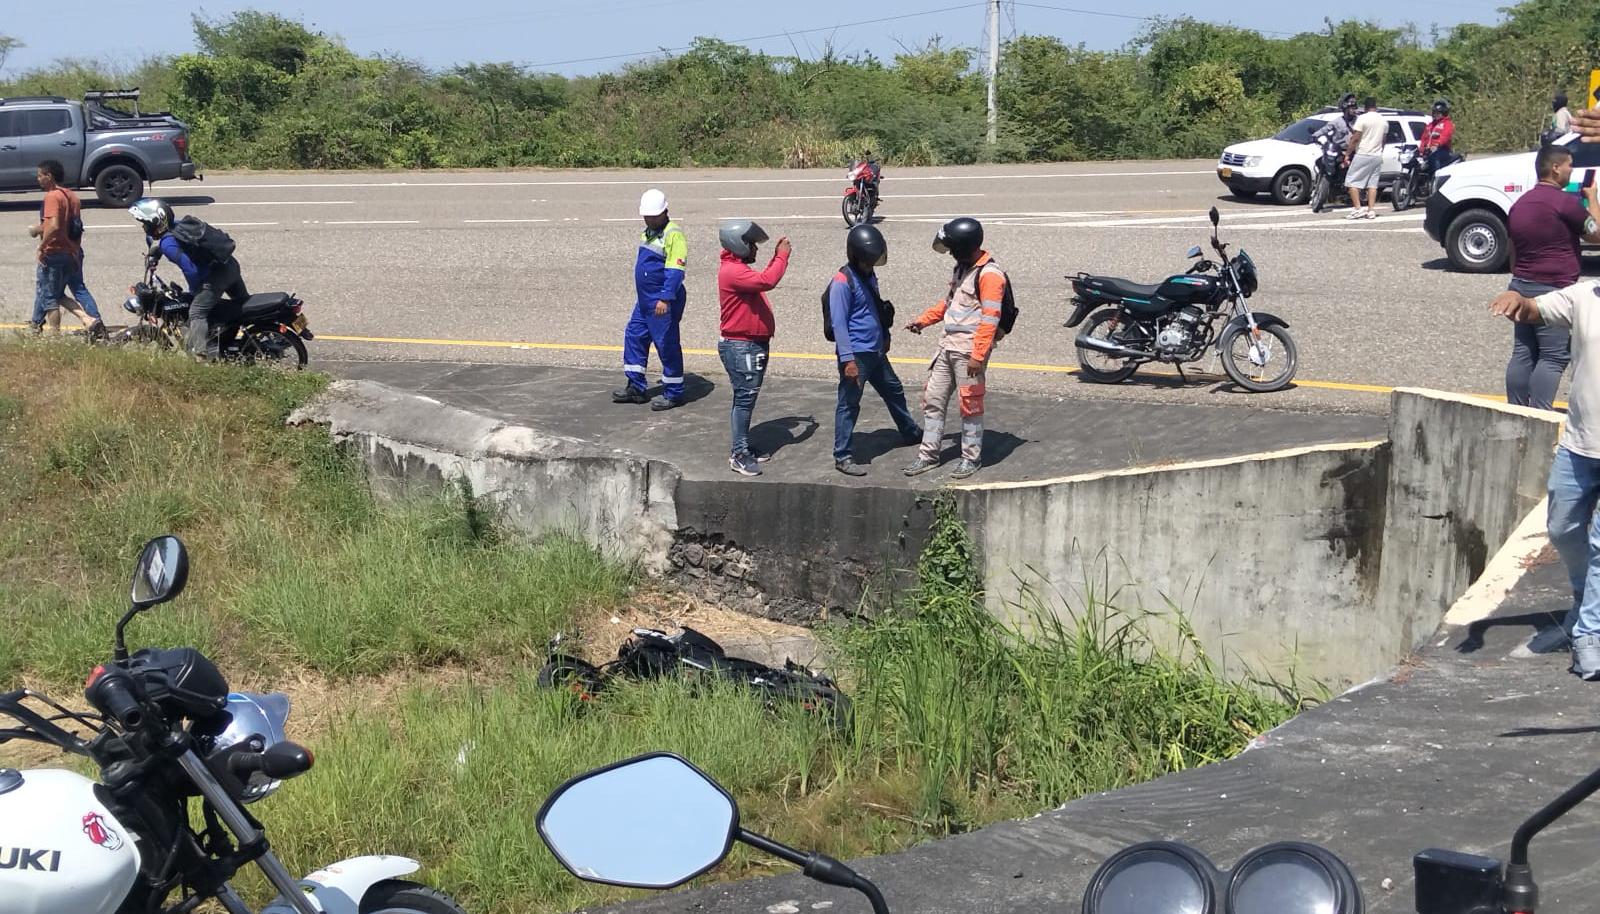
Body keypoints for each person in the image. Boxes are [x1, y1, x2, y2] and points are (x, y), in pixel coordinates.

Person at [1490, 278, 1600, 679]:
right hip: (1579, 445)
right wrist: (1518, 301)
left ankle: (1589, 635)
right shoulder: (1584, 295)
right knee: (1562, 528)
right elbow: (1537, 309)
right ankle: (1584, 599)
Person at [902, 217, 1009, 481]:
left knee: (970, 406)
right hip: (947, 347)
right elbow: (949, 304)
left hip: (968, 352)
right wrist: (923, 320)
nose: (949, 252)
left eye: (952, 248)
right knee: (933, 401)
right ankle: (928, 455)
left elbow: (990, 319)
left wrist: (978, 355)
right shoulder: (962, 269)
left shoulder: (990, 275)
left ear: (963, 246)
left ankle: (971, 458)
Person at [1505, 144, 1600, 411]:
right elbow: (1597, 234)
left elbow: (1512, 250)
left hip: (1520, 285)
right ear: (1556, 168)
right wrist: (1592, 197)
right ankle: (1541, 413)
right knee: (1554, 355)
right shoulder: (1564, 203)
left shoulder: (1520, 204)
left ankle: (1515, 410)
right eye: (1569, 164)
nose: (1571, 170)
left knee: (1523, 352)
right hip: (1554, 289)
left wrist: (1521, 275)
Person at [829, 224, 921, 476]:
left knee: (894, 390)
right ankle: (843, 455)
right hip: (857, 355)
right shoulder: (841, 282)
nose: (874, 263)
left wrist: (885, 336)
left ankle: (910, 432)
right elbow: (839, 324)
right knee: (849, 404)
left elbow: (875, 309)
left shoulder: (868, 275)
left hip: (876, 351)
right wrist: (847, 360)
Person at [129, 197, 249, 360]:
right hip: (230, 266)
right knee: (243, 308)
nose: (144, 227)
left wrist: (195, 292)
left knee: (197, 311)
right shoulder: (178, 225)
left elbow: (190, 270)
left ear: (156, 222)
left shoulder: (167, 243)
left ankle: (200, 356)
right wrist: (158, 252)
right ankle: (247, 339)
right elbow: (181, 243)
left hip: (216, 277)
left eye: (146, 223)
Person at [716, 219, 790, 477]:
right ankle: (739, 454)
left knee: (746, 397)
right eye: (751, 245)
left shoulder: (736, 268)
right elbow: (768, 280)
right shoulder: (733, 272)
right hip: (742, 346)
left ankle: (743, 446)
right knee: (745, 399)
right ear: (739, 245)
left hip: (748, 346)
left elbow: (761, 279)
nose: (755, 250)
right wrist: (781, 256)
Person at [614, 189, 688, 410]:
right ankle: (635, 386)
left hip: (662, 301)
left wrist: (665, 298)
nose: (648, 219)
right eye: (646, 216)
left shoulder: (673, 234)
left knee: (666, 344)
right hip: (645, 301)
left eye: (652, 216)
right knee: (635, 335)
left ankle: (673, 392)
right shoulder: (648, 232)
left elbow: (675, 271)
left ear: (665, 212)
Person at [28, 160, 105, 338]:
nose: (38, 179)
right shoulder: (72, 197)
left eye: (40, 175)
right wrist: (75, 251)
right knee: (68, 290)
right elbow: (74, 226)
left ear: (49, 176)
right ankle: (93, 321)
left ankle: (55, 336)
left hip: (54, 252)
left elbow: (54, 226)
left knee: (49, 297)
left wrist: (41, 245)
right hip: (71, 252)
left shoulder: (52, 197)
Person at [1343, 97, 1387, 219]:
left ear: (1366, 107)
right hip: (1377, 155)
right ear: (1376, 106)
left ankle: (1358, 208)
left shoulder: (1362, 119)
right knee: (1372, 184)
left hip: (1363, 153)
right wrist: (1379, 150)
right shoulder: (1383, 120)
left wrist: (1347, 154)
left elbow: (1355, 138)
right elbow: (1383, 140)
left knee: (1351, 181)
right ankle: (1371, 210)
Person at [1419, 99, 1456, 173]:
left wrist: (1437, 144)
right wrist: (1421, 149)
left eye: (1438, 113)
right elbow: (1424, 138)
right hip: (1429, 151)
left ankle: (1436, 176)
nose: (1436, 115)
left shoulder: (1447, 124)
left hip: (1442, 150)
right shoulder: (1430, 125)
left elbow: (1446, 136)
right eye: (1434, 113)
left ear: (1444, 113)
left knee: (1434, 158)